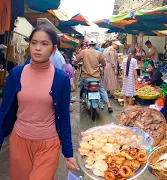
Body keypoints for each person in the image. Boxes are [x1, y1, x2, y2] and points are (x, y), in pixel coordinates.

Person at [0, 25, 79, 180]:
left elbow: (63, 116)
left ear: (54, 49)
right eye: (34, 43)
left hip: (48, 145)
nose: (37, 48)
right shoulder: (16, 74)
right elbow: (5, 111)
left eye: (44, 44)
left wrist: (68, 153)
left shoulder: (61, 78)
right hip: (19, 141)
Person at [75, 38, 113, 113]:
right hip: (96, 77)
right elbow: (104, 64)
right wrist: (99, 65)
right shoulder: (98, 53)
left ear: (88, 45)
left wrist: (75, 64)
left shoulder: (83, 52)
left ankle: (81, 99)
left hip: (85, 77)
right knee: (102, 90)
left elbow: (76, 60)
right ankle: (109, 105)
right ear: (95, 45)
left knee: (81, 87)